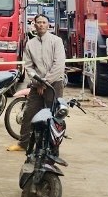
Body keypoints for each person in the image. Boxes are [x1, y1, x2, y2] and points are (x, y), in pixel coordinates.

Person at [9, 14, 68, 152]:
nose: (41, 25)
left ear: (48, 25)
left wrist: (45, 82)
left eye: (44, 22)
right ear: (34, 25)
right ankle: (23, 143)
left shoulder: (56, 41)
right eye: (38, 22)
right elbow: (29, 67)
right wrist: (38, 82)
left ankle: (52, 147)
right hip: (37, 85)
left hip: (54, 84)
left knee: (53, 116)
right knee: (29, 113)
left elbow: (58, 65)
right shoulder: (30, 44)